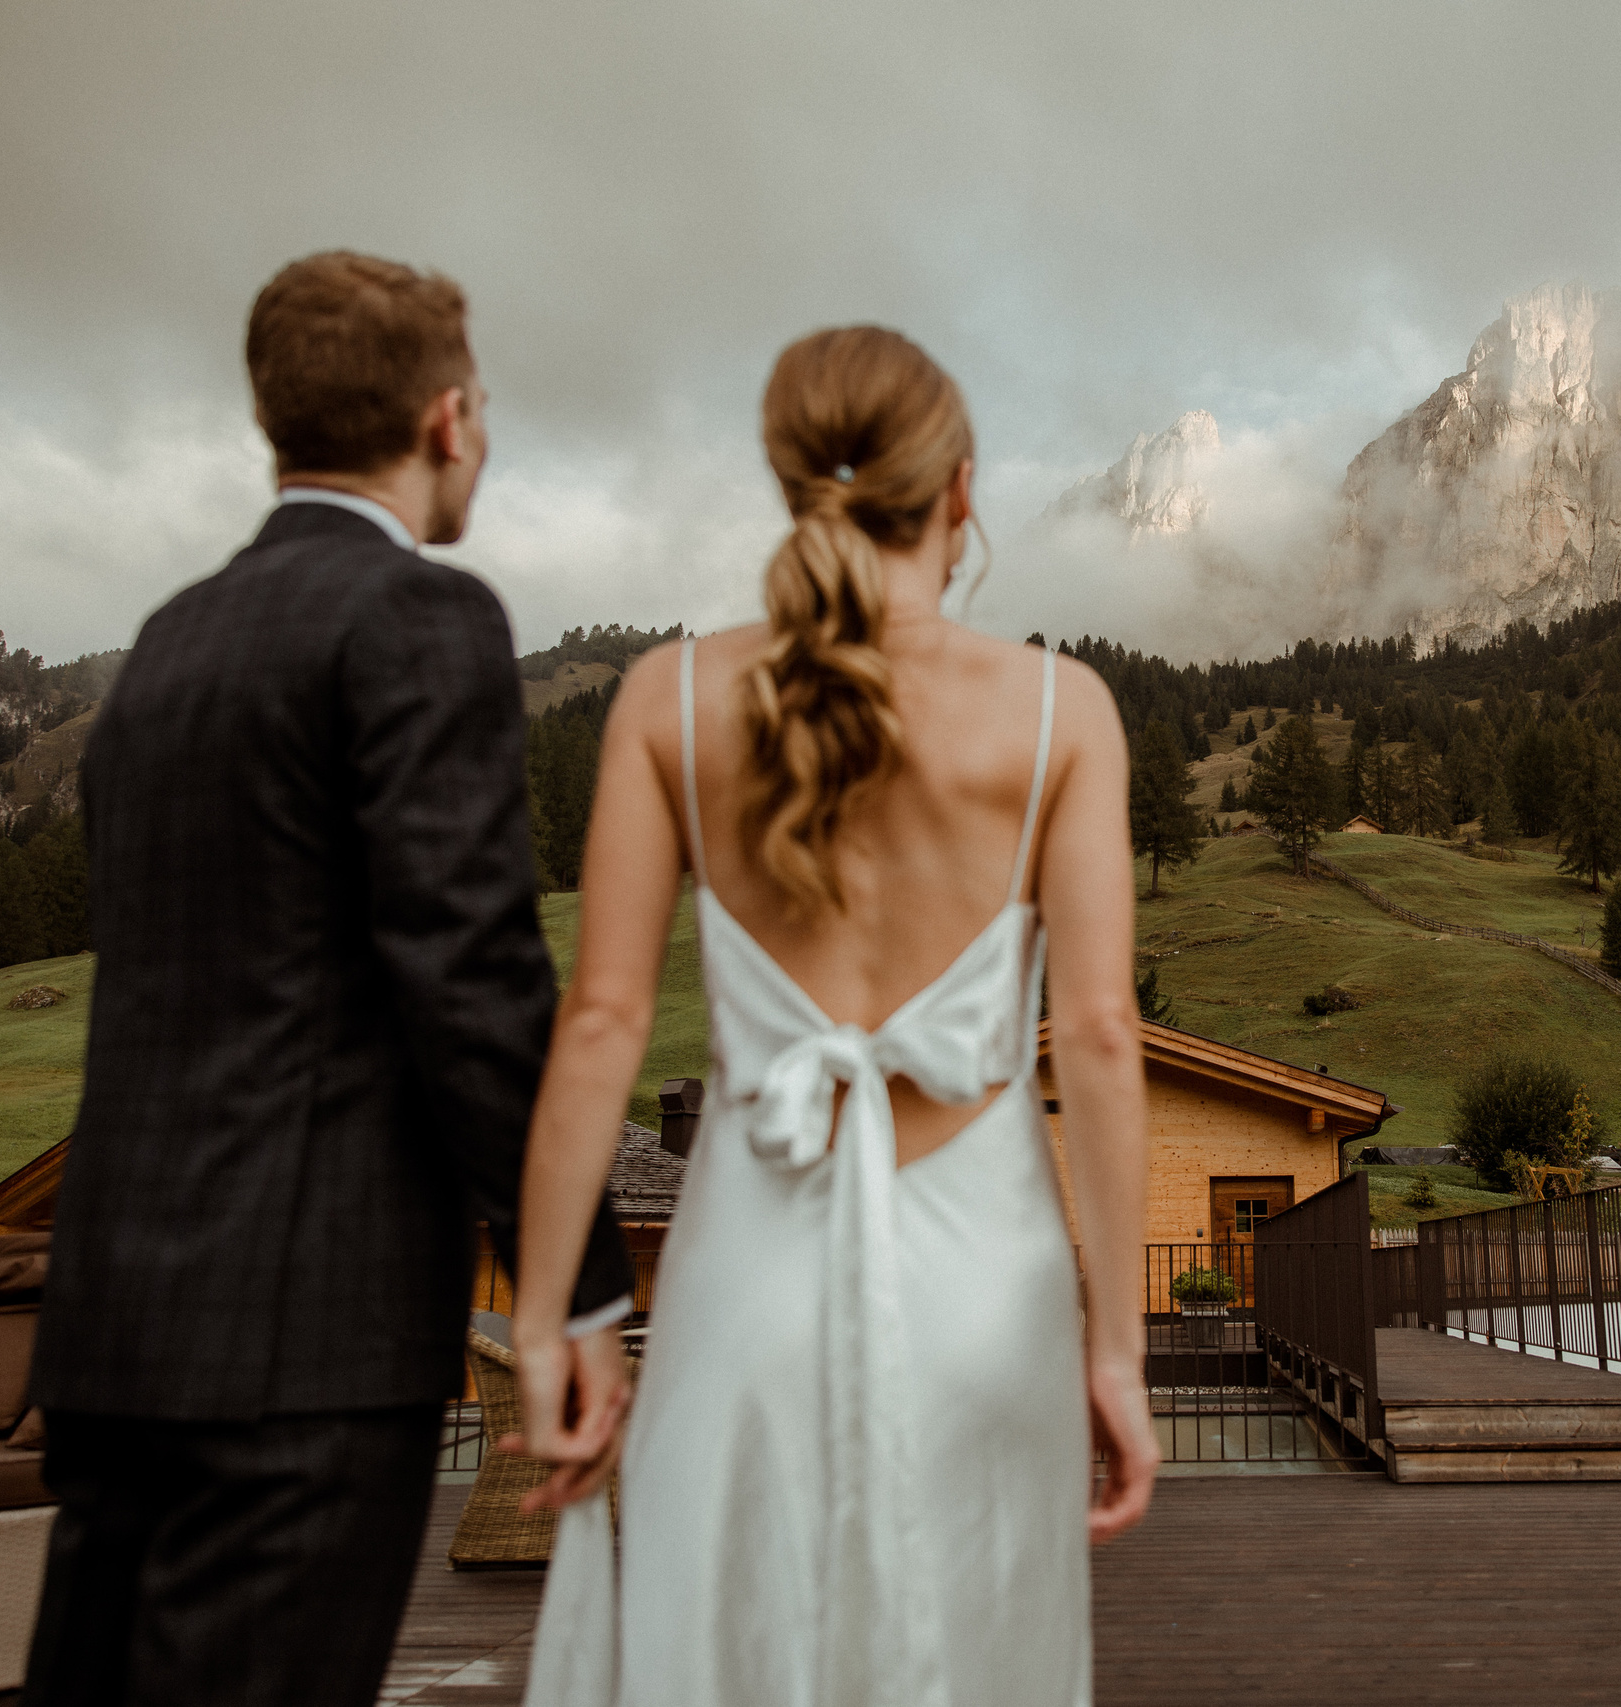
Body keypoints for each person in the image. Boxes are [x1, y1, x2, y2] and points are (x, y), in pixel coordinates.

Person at [22, 251, 637, 1707]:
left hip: (113, 1335)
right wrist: (577, 1292)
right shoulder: (420, 618)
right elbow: (471, 972)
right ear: (443, 420)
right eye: (479, 403)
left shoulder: (166, 646)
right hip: (302, 1338)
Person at [512, 326, 1156, 1705]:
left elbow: (603, 1019)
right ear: (963, 492)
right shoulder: (1063, 715)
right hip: (987, 1291)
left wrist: (551, 1321)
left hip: (749, 1274)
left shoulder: (666, 702)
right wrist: (1117, 1351)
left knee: (730, 1652)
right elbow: (1101, 1036)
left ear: (790, 482)